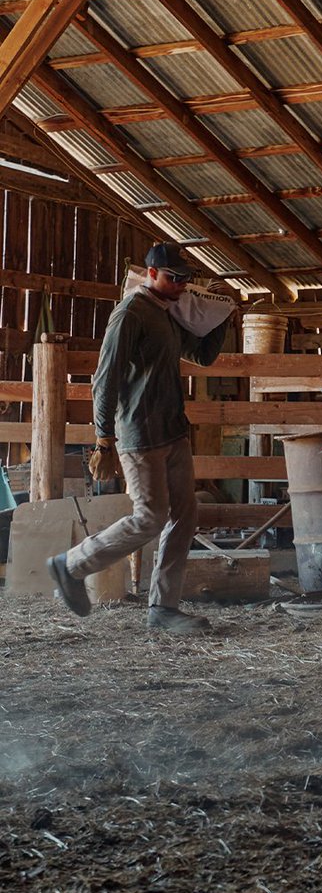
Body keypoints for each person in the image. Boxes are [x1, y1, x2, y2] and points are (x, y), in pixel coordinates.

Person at [47, 242, 232, 633]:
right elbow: (105, 378)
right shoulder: (130, 313)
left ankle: (163, 609)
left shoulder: (167, 314)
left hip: (173, 431)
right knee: (150, 517)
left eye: (185, 279)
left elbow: (202, 356)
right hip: (139, 434)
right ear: (151, 273)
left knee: (185, 517)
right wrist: (103, 439)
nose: (180, 285)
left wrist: (225, 314)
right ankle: (71, 565)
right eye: (173, 278)